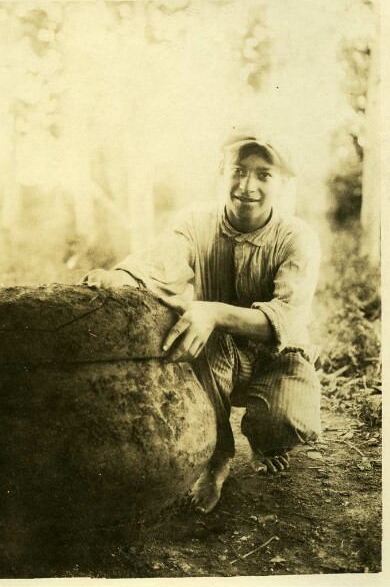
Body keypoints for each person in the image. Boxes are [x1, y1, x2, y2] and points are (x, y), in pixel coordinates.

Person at [81, 129, 322, 514]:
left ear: (284, 183)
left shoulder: (297, 237)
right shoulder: (195, 222)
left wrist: (212, 310)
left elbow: (285, 320)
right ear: (221, 171)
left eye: (264, 175)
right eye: (238, 170)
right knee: (194, 333)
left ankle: (267, 440)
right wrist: (122, 277)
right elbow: (159, 264)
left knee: (287, 422)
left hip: (278, 352)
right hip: (217, 353)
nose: (247, 186)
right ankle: (218, 458)